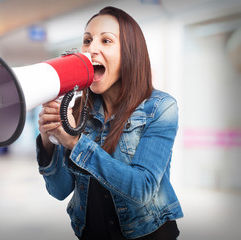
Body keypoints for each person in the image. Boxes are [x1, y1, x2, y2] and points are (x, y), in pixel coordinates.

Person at [36, 6, 183, 240]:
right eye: (87, 40)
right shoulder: (77, 111)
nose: (91, 49)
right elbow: (59, 191)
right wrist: (48, 139)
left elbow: (142, 189)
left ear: (130, 53)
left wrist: (76, 142)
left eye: (106, 41)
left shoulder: (160, 107)